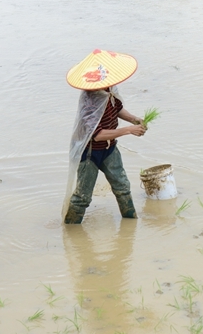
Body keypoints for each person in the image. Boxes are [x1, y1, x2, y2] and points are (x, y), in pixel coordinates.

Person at [62, 49, 146, 224]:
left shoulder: (109, 89)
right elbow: (98, 135)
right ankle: (70, 229)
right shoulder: (89, 101)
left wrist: (133, 119)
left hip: (110, 149)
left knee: (123, 187)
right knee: (82, 197)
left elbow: (118, 108)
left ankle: (131, 224)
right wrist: (129, 130)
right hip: (90, 153)